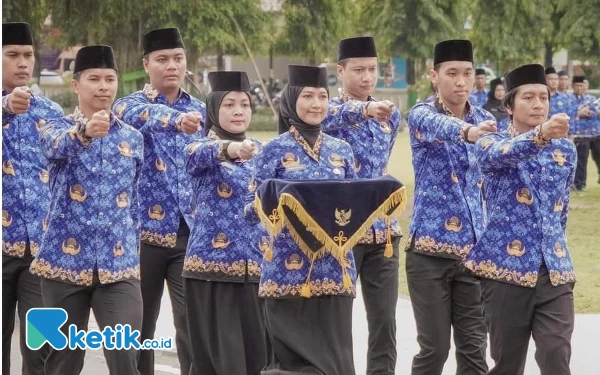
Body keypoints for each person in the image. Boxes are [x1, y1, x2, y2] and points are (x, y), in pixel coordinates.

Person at [31, 45, 144, 375]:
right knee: (62, 362)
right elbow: (54, 146)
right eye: (94, 79)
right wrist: (84, 132)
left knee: (124, 358)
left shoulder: (133, 139)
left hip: (118, 267)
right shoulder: (54, 128)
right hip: (62, 267)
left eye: (110, 79)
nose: (104, 86)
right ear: (75, 85)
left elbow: (134, 202)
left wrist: (133, 254)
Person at [245, 65, 358, 375]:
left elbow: (354, 205)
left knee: (336, 365)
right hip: (286, 274)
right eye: (308, 96)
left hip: (336, 273)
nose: (316, 104)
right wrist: (273, 197)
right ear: (292, 99)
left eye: (323, 96)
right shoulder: (273, 150)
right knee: (293, 365)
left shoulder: (342, 151)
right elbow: (248, 210)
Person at [464, 63, 577, 375]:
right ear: (510, 105)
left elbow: (561, 210)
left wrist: (555, 249)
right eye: (528, 97)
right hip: (505, 273)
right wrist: (540, 135)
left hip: (554, 270)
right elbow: (502, 155)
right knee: (507, 364)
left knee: (556, 353)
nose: (538, 104)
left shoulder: (565, 151)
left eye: (543, 97)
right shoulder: (490, 143)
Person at [112, 27, 205, 374]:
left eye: (178, 59)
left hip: (189, 235)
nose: (171, 66)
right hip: (141, 239)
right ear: (146, 64)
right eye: (162, 59)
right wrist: (178, 121)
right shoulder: (130, 106)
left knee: (192, 327)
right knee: (140, 330)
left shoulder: (202, 110)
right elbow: (141, 117)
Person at [406, 39, 495, 375]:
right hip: (429, 254)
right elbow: (441, 128)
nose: (461, 81)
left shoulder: (487, 118)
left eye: (467, 73)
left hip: (474, 254)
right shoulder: (421, 115)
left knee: (475, 350)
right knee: (435, 349)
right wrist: (470, 132)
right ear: (434, 76)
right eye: (452, 73)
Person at [183, 71, 270, 375]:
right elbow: (197, 157)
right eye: (229, 104)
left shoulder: (263, 151)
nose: (238, 111)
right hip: (212, 272)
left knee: (260, 360)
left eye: (244, 104)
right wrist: (229, 149)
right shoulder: (197, 148)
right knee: (221, 361)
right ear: (214, 110)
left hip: (258, 272)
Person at [324, 36, 401, 374]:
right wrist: (366, 108)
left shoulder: (389, 116)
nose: (366, 77)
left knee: (384, 320)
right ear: (340, 71)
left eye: (371, 69)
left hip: (383, 232)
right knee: (337, 318)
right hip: (340, 231)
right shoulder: (325, 110)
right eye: (358, 70)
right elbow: (333, 115)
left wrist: (374, 109)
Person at [2, 21, 64, 375]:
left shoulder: (50, 113)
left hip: (40, 253)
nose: (23, 62)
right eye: (12, 55)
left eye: (27, 55)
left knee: (40, 349)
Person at [569, 75, 599, 191]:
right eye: (577, 85)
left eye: (581, 85)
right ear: (573, 86)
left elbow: (595, 111)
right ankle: (580, 184)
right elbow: (568, 110)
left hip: (596, 133)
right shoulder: (568, 99)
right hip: (580, 135)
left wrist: (584, 112)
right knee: (581, 160)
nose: (579, 88)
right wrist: (578, 112)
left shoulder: (590, 98)